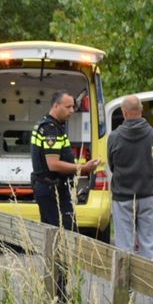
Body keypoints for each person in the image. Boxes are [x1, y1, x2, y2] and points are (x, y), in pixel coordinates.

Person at [31, 91, 99, 231]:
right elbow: (53, 164)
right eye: (68, 107)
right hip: (52, 189)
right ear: (56, 106)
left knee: (54, 233)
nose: (72, 111)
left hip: (50, 188)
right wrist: (83, 167)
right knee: (64, 232)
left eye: (73, 107)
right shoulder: (51, 129)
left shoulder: (48, 125)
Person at [108, 95, 153, 258]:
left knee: (124, 248)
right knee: (150, 247)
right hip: (149, 195)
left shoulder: (114, 137)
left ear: (124, 112)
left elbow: (112, 165)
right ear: (142, 110)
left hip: (123, 197)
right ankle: (148, 282)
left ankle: (124, 283)